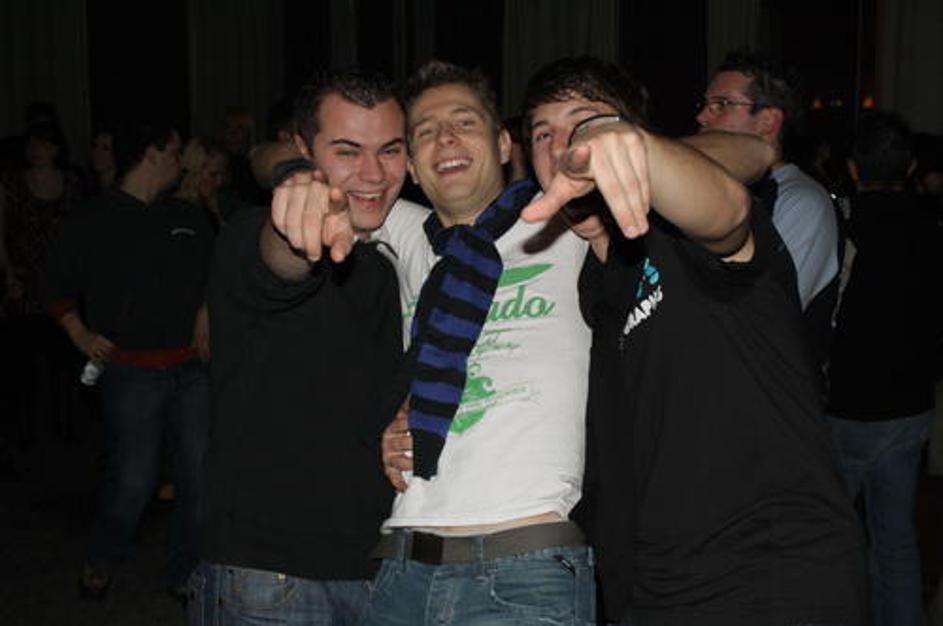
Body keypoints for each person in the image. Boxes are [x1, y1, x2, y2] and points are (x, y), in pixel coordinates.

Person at [519, 56, 866, 626]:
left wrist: (634, 149)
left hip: (774, 575)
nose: (562, 147)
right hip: (655, 591)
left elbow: (728, 208)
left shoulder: (678, 232)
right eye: (542, 134)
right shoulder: (594, 288)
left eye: (584, 124)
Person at [190, 69, 413, 626]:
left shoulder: (392, 258)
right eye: (347, 151)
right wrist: (295, 218)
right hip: (269, 578)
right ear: (302, 151)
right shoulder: (250, 232)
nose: (373, 173)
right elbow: (282, 259)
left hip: (377, 570)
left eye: (390, 150)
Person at [45, 121, 213, 602]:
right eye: (175, 151)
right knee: (133, 481)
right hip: (131, 372)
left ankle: (186, 571)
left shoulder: (187, 216)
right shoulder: (93, 219)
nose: (180, 162)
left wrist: (206, 312)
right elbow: (55, 286)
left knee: (199, 480)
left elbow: (214, 274)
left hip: (191, 370)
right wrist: (80, 333)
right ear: (152, 153)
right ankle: (102, 557)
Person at [826, 111, 943, 626]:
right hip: (910, 404)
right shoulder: (932, 231)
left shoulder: (842, 229)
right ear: (911, 167)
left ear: (854, 168)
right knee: (895, 536)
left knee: (832, 537)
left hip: (846, 405)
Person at [697, 50, 840, 368]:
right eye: (705, 104)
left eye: (721, 105)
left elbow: (762, 312)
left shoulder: (801, 200)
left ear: (768, 121)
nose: (703, 117)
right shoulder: (709, 192)